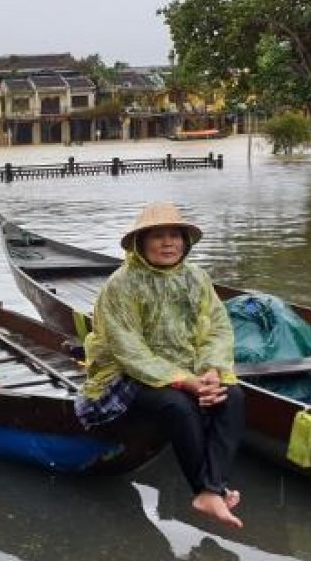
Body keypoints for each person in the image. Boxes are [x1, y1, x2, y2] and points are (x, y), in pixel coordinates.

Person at [76, 201, 245, 529]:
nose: (168, 243)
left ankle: (211, 489)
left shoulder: (196, 277)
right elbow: (130, 353)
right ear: (140, 243)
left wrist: (210, 371)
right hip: (125, 374)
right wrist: (186, 382)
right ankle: (207, 490)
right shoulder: (121, 285)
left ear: (186, 241)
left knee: (232, 396)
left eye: (175, 235)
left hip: (187, 369)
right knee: (178, 406)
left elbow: (219, 327)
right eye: (158, 236)